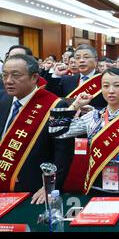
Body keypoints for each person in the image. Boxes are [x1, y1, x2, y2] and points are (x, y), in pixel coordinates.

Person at [49, 67, 119, 196]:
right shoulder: (93, 117)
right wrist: (75, 104)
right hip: (96, 186)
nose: (111, 91)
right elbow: (57, 131)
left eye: (117, 85)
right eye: (105, 86)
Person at [0, 55, 73, 203]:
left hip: (34, 191)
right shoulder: (3, 100)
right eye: (4, 75)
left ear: (34, 78)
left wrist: (50, 186)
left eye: (15, 75)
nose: (8, 81)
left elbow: (64, 153)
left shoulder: (57, 106)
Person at [46, 44, 107, 109]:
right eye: (78, 58)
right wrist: (56, 75)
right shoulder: (67, 80)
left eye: (86, 57)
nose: (81, 60)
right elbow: (51, 99)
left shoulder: (104, 80)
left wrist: (94, 112)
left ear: (96, 60)